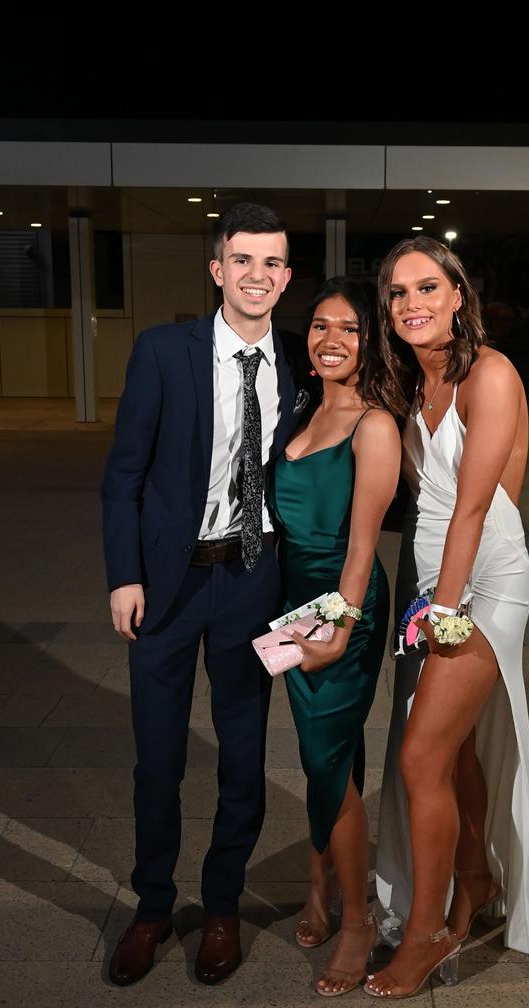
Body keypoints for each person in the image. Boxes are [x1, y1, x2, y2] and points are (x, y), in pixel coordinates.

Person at [366, 237, 529, 997]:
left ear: (460, 295)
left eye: (429, 287)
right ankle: (474, 885)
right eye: (398, 293)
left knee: (420, 757)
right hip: (432, 583)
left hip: (482, 583)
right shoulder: (410, 383)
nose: (414, 303)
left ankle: (425, 934)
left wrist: (444, 615)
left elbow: (472, 509)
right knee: (453, 754)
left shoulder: (489, 375)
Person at [101, 202, 304, 987]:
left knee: (245, 759)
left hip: (254, 582)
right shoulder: (161, 353)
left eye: (273, 263)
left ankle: (221, 905)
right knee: (157, 761)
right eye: (243, 260)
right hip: (166, 587)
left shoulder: (300, 362)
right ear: (217, 268)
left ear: (287, 277)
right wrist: (124, 573)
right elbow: (123, 475)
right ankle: (153, 906)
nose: (258, 275)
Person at [269, 277, 401, 996]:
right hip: (293, 605)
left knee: (325, 759)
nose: (330, 340)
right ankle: (318, 887)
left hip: (343, 606)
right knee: (326, 755)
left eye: (348, 329)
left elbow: (361, 546)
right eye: (320, 326)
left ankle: (358, 922)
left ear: (370, 340)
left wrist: (338, 626)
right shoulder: (301, 413)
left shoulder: (373, 424)